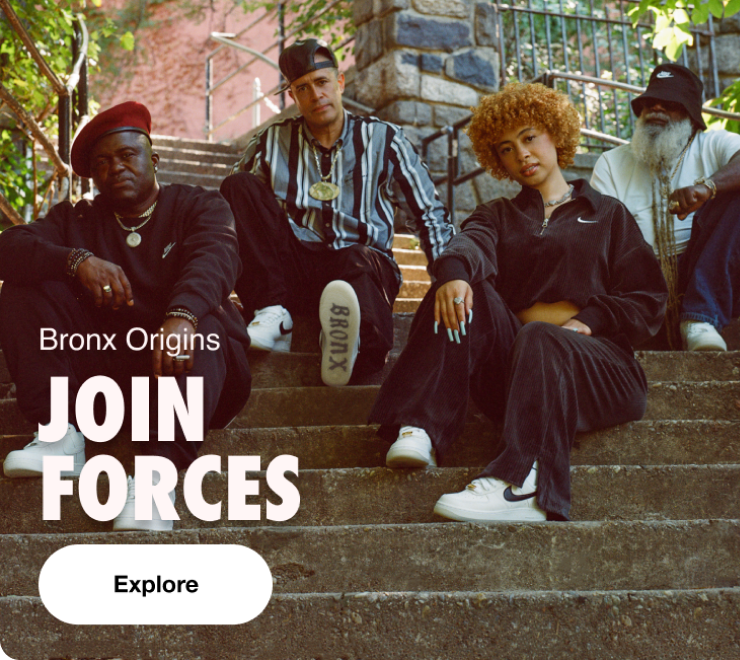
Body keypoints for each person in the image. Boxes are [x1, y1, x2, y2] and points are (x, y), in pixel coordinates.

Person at [368, 82, 668, 523]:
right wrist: (452, 274)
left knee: (542, 338)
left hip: (599, 368)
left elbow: (647, 297)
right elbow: (470, 244)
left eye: (530, 138)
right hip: (517, 370)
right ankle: (419, 427)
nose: (522, 154)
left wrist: (590, 320)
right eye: (507, 149)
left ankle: (523, 484)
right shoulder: (498, 215)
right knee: (458, 285)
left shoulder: (607, 214)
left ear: (554, 135)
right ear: (499, 161)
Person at [0, 101, 251, 531]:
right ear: (93, 176)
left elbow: (216, 257)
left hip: (185, 376)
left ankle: (155, 480)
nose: (115, 168)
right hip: (106, 387)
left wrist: (183, 314)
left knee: (208, 327)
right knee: (24, 286)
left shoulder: (199, 206)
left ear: (153, 158)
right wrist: (76, 261)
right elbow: (9, 248)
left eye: (126, 155)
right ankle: (60, 434)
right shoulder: (77, 219)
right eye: (101, 163)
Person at [221, 38, 453, 387]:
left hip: (362, 268)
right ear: (293, 96)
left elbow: (429, 213)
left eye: (322, 82)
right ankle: (275, 315)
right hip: (295, 271)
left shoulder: (384, 138)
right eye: (303, 88)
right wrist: (214, 292)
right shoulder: (271, 142)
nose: (316, 95)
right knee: (238, 186)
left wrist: (450, 277)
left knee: (358, 258)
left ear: (340, 82)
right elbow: (226, 217)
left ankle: (351, 344)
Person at [591, 63, 740, 352]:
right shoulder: (611, 162)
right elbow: (597, 239)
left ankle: (700, 320)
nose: (656, 108)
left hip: (708, 272)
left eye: (669, 103)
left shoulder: (715, 144)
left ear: (691, 115)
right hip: (640, 284)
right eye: (649, 102)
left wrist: (709, 187)